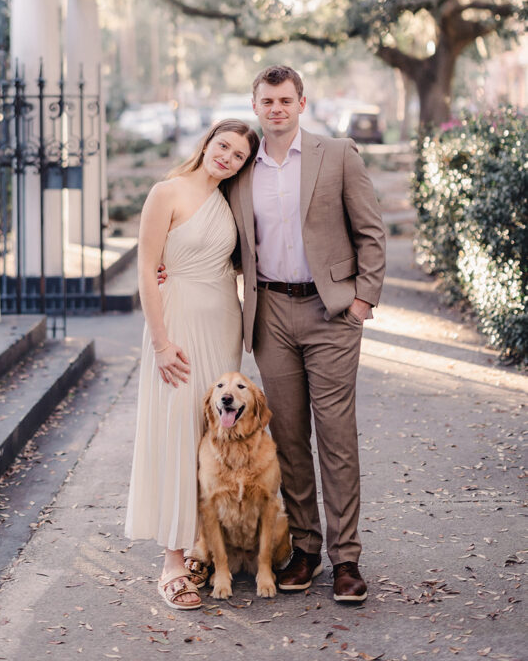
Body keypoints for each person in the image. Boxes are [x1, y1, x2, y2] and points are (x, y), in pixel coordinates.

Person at [224, 65, 386, 603]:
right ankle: (307, 551)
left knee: (335, 438)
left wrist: (362, 299)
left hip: (330, 312)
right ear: (256, 105)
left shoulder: (336, 154)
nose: (276, 109)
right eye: (267, 100)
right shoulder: (242, 170)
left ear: (302, 103)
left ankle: (347, 560)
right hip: (270, 311)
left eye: (285, 100)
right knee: (289, 438)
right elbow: (224, 238)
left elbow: (370, 230)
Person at [125, 119, 259, 610]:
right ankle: (172, 562)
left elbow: (240, 262)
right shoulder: (168, 191)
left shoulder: (231, 204)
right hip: (177, 326)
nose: (227, 157)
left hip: (223, 325)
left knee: (214, 438)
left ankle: (207, 547)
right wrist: (161, 343)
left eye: (238, 155)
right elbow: (145, 265)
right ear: (207, 143)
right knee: (177, 431)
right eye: (222, 146)